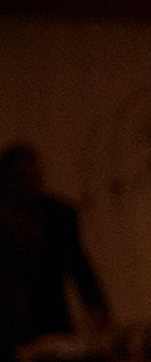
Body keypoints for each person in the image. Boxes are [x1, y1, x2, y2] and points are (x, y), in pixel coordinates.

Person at [1, 143, 108, 345]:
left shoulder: (57, 214)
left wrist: (95, 307)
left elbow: (78, 263)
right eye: (22, 178)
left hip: (52, 317)